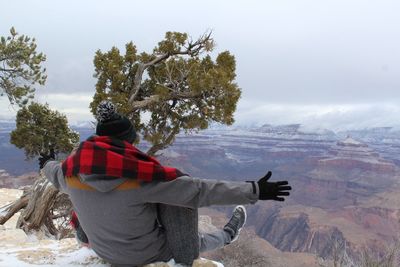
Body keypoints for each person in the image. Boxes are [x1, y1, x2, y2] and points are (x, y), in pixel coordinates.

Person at [40, 101, 292, 267]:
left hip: (105, 250)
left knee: (85, 199)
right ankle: (227, 235)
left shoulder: (70, 170)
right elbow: (200, 190)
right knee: (180, 198)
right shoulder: (140, 178)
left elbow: (52, 172)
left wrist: (45, 162)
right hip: (144, 255)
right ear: (125, 143)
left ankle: (87, 236)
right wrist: (254, 191)